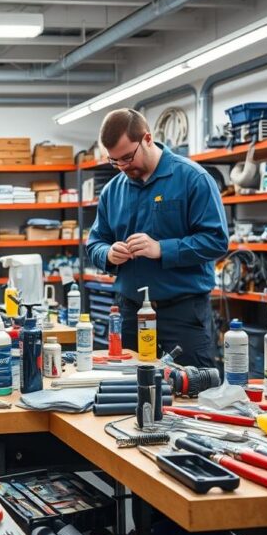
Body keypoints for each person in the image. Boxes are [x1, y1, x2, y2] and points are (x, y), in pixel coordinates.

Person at [87, 108, 229, 368]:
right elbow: (94, 244)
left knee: (191, 391)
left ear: (148, 139)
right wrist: (107, 254)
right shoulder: (112, 191)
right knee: (127, 394)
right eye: (114, 161)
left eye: (127, 157)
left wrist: (162, 249)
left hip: (183, 313)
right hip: (130, 314)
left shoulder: (192, 179)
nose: (122, 167)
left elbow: (216, 240)